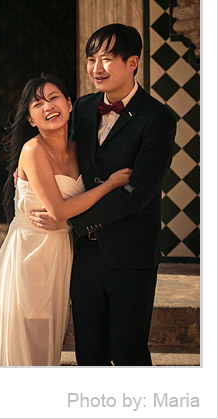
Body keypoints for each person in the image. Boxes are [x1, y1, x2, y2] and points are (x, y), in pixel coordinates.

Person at [30, 23, 177, 366]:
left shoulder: (157, 118)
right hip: (82, 259)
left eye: (107, 59)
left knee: (129, 354)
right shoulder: (80, 108)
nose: (97, 68)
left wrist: (70, 219)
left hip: (130, 256)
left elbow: (137, 192)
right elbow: (50, 146)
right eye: (91, 58)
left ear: (132, 63)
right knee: (90, 355)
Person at [0, 74, 131, 366]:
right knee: (27, 336)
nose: (48, 107)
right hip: (31, 253)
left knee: (48, 338)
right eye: (37, 104)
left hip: (62, 252)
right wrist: (109, 185)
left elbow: (70, 213)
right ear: (30, 119)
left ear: (68, 104)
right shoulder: (33, 150)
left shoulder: (82, 150)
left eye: (54, 98)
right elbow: (59, 210)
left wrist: (70, 222)